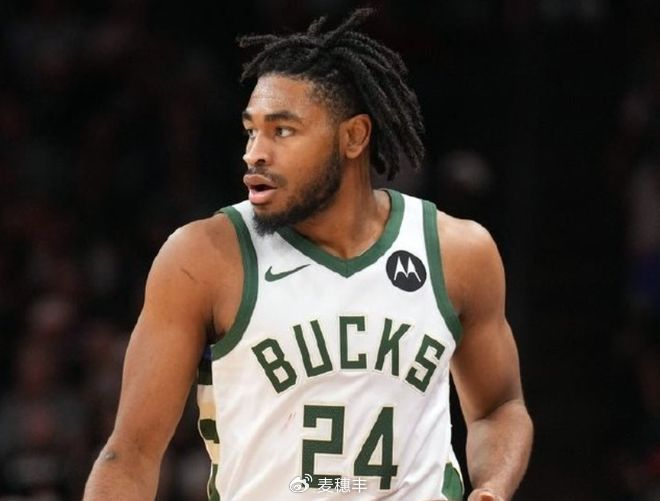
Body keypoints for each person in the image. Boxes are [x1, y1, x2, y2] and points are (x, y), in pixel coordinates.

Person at [83, 9, 533, 501]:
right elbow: (131, 454)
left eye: (282, 131)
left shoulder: (456, 252)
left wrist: (492, 487)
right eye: (251, 130)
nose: (255, 152)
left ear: (353, 137)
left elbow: (498, 408)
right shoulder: (203, 258)